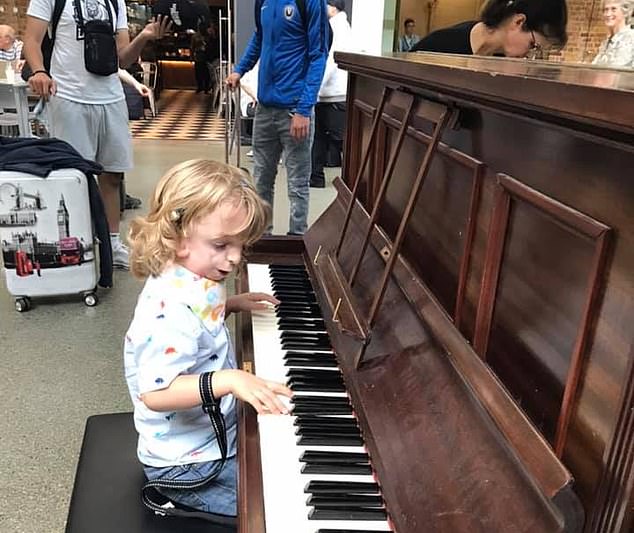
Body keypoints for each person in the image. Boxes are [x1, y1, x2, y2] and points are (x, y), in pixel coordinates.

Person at [124, 159, 292, 517]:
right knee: (277, 509)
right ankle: (171, 498)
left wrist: (231, 304)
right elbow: (155, 394)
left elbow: (199, 326)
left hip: (211, 440)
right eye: (221, 245)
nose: (234, 259)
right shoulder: (167, 311)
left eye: (240, 245)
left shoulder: (198, 277)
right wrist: (229, 379)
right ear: (176, 237)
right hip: (186, 466)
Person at [23, 0, 171, 270]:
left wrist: (145, 36)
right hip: (68, 96)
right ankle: (77, 243)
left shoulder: (115, 3)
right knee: (74, 177)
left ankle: (112, 245)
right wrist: (39, 71)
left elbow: (122, 58)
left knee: (112, 175)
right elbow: (31, 40)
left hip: (111, 98)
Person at [226, 0, 330, 235]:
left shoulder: (310, 2)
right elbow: (259, 39)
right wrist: (239, 70)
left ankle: (296, 239)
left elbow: (318, 56)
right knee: (261, 179)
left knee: (297, 183)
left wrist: (304, 109)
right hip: (265, 108)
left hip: (294, 110)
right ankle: (263, 237)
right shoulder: (263, 1)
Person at [410, 0, 568, 58]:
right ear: (519, 22)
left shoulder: (502, 68)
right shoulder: (436, 46)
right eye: (533, 45)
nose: (529, 56)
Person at [310, 0, 352, 188]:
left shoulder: (337, 28)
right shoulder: (341, 26)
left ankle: (318, 178)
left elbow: (329, 63)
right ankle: (315, 177)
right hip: (330, 93)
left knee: (338, 139)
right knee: (322, 138)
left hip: (333, 93)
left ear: (333, 7)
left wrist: (314, 88)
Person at [592, 0, 634, 67]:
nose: (608, 14)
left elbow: (618, 68)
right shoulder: (606, 41)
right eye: (606, 10)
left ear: (625, 12)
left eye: (613, 9)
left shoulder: (631, 38)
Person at [191, 22, 211, 93]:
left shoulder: (207, 35)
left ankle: (206, 87)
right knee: (198, 73)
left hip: (206, 57)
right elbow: (192, 47)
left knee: (206, 73)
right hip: (198, 56)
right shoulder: (195, 36)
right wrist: (192, 56)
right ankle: (200, 87)